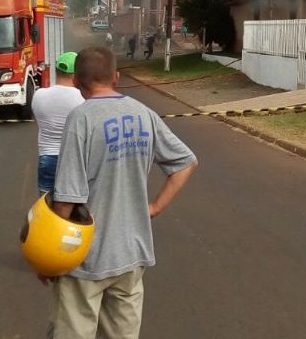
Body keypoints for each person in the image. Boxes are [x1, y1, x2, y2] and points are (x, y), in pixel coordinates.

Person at [48, 47, 197, 339]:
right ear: (116, 77)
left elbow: (67, 199)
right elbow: (185, 162)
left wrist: (51, 257)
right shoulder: (145, 114)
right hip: (131, 253)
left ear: (77, 81)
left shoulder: (81, 120)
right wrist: (153, 207)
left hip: (85, 258)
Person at [31, 52, 84, 195]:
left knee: (46, 205)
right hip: (74, 159)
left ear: (56, 71)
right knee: (74, 205)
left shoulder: (39, 95)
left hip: (47, 157)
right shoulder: (83, 98)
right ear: (77, 74)